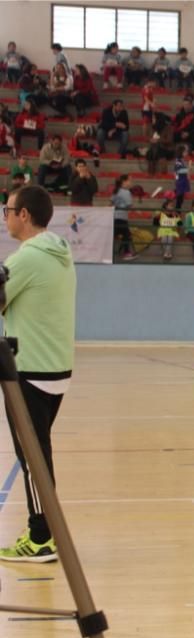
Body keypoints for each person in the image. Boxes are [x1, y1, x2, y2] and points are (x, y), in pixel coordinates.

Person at [0, 185, 76, 563]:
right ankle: (48, 531)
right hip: (56, 368)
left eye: (8, 209)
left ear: (24, 215)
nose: (5, 216)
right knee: (39, 453)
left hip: (29, 370)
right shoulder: (60, 252)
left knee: (32, 457)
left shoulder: (26, 258)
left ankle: (41, 537)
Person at [111, 174, 135, 261]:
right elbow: (129, 205)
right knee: (127, 235)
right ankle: (126, 253)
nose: (131, 182)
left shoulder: (116, 191)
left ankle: (125, 252)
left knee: (122, 234)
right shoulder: (126, 192)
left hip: (114, 217)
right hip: (121, 218)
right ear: (124, 182)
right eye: (130, 180)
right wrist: (137, 211)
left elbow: (111, 202)